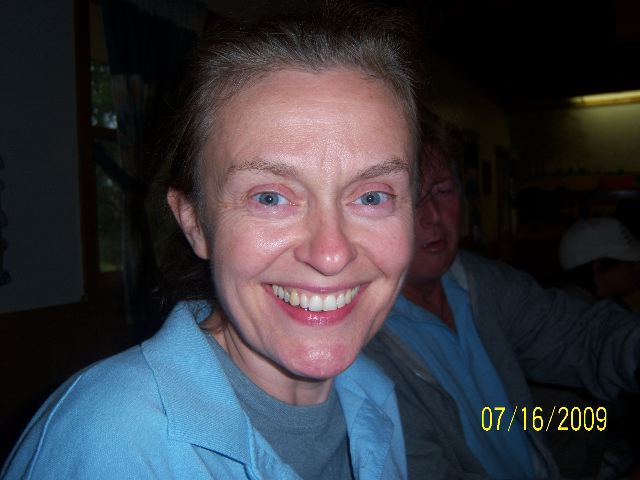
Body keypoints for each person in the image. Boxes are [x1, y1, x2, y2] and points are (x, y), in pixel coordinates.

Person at [1, 4, 426, 478]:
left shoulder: (373, 395)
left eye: (371, 197)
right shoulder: (109, 444)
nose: (330, 254)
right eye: (269, 198)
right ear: (194, 223)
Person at [364, 124, 640, 479]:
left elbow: (580, 335)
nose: (432, 215)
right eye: (407, 197)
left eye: (443, 190)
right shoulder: (360, 342)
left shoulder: (480, 282)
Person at [559, 217, 640, 308]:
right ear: (600, 267)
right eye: (631, 263)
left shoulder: (569, 304)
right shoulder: (582, 313)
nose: (638, 267)